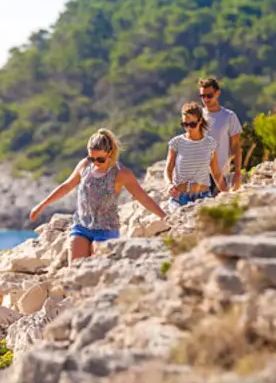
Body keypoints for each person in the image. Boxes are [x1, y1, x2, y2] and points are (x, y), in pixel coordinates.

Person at [29, 128, 167, 265]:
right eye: (91, 158)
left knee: (96, 269)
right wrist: (41, 205)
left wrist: (165, 217)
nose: (95, 162)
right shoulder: (84, 165)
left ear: (110, 153)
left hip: (106, 229)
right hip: (81, 226)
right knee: (75, 270)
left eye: (100, 159)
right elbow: (66, 186)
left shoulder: (121, 174)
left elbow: (143, 198)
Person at [165, 101, 227, 211]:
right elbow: (168, 169)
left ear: (200, 121)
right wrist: (169, 184)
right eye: (185, 124)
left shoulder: (210, 143)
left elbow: (216, 172)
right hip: (180, 198)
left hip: (203, 197)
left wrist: (226, 195)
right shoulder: (176, 142)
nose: (189, 128)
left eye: (192, 124)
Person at [198, 76, 243, 195]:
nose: (206, 99)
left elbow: (236, 147)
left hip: (223, 174)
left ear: (217, 93)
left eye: (209, 95)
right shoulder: (197, 117)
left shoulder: (229, 116)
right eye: (202, 96)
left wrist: (238, 173)